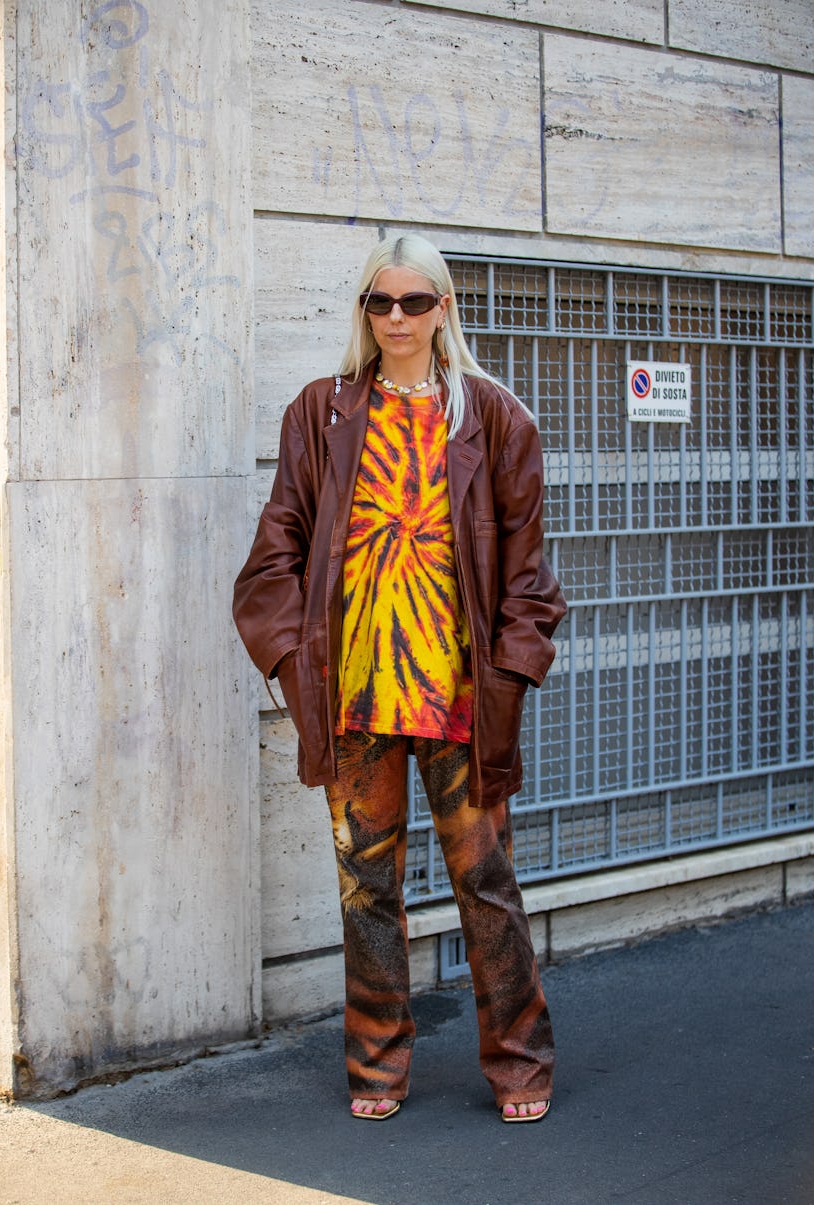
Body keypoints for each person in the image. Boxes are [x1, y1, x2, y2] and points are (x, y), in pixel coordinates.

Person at [233, 233, 566, 1123]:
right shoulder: (320, 414)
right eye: (379, 303)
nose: (395, 319)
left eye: (414, 302)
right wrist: (290, 664)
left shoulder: (494, 419)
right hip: (356, 702)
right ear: (363, 311)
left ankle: (521, 1064)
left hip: (462, 700)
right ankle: (376, 1065)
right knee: (366, 889)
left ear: (444, 308)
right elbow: (275, 556)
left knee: (485, 885)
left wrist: (513, 669)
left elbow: (530, 580)